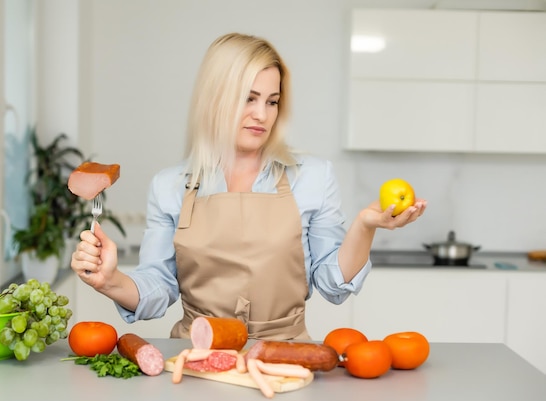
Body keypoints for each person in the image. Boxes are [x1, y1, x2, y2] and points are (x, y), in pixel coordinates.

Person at [71, 32, 427, 340]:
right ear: (214, 98)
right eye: (249, 98)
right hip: (196, 357)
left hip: (285, 357)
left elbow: (334, 285)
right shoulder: (170, 186)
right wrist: (111, 280)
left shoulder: (313, 177)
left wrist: (364, 228)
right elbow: (158, 287)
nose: (263, 114)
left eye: (272, 101)